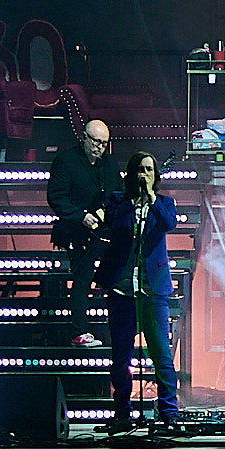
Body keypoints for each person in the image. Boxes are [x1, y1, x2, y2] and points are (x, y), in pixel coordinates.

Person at [87, 152, 181, 429]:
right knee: (121, 355)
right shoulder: (118, 202)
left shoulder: (164, 203)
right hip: (122, 291)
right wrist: (133, 203)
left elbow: (168, 224)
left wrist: (150, 200)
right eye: (140, 169)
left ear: (156, 175)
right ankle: (122, 413)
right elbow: (114, 226)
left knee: (161, 353)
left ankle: (169, 412)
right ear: (131, 173)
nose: (144, 174)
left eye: (149, 170)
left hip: (153, 293)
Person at [46, 119, 120, 328]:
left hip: (103, 231)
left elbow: (117, 193)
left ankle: (113, 324)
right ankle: (80, 328)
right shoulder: (66, 161)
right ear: (84, 138)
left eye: (104, 143)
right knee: (82, 277)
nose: (100, 147)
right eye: (96, 141)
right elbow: (56, 197)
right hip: (75, 231)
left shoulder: (109, 164)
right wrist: (80, 216)